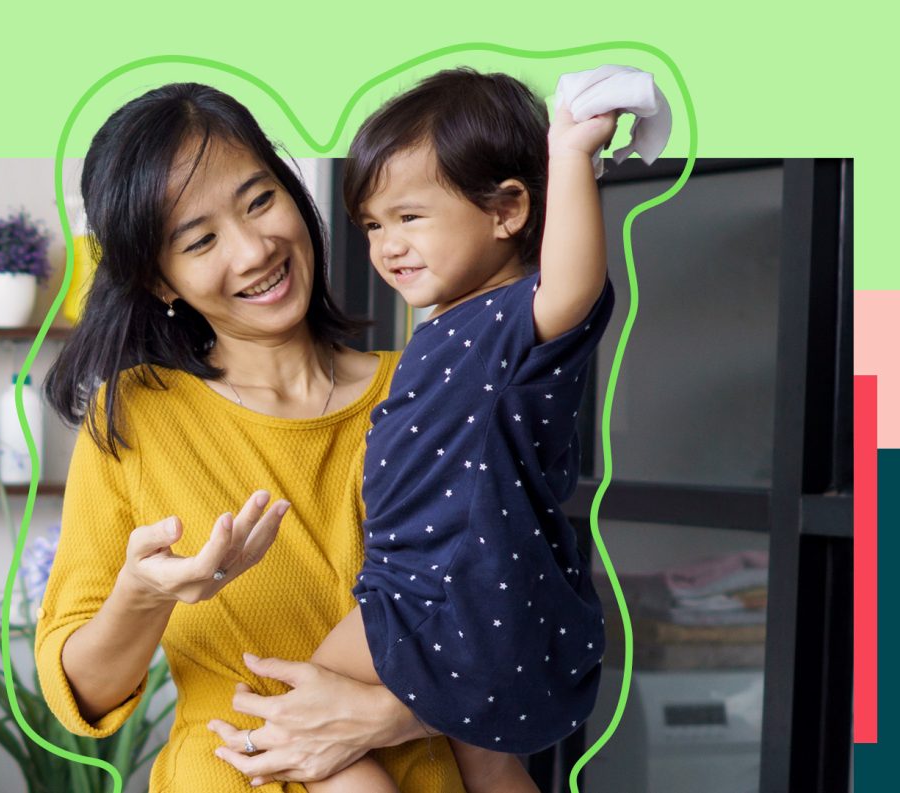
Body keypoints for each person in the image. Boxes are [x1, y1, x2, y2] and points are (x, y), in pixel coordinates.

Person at [35, 82, 467, 792]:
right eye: (200, 240)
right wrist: (143, 594)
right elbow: (83, 695)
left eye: (260, 201)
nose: (253, 249)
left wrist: (390, 718)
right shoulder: (137, 415)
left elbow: (519, 629)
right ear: (161, 280)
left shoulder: (427, 389)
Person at [276, 68, 620, 793]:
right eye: (373, 225)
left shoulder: (512, 319)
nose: (387, 246)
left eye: (410, 216)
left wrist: (569, 155)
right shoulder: (455, 324)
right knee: (484, 759)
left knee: (301, 717)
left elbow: (572, 283)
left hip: (443, 589)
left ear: (507, 211)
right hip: (455, 583)